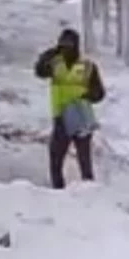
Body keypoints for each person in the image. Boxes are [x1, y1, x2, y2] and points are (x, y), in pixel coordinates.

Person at [34, 28, 105, 189]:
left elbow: (99, 93)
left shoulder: (88, 66)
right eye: (63, 44)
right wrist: (48, 54)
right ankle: (59, 191)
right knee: (56, 158)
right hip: (60, 117)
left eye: (69, 44)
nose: (66, 48)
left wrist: (87, 96)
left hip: (81, 117)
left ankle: (89, 191)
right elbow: (39, 71)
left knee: (84, 159)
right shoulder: (54, 63)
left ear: (76, 45)